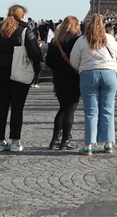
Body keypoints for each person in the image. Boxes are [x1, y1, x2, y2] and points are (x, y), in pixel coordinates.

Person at [0, 5, 43, 152]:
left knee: (2, 106)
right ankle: (15, 141)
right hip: (19, 72)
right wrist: (37, 67)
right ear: (22, 16)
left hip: (0, 71)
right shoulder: (25, 31)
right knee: (17, 108)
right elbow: (35, 53)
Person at [69, 15, 117, 156]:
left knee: (91, 112)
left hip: (88, 74)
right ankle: (108, 144)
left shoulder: (81, 40)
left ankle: (88, 145)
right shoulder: (109, 38)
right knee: (108, 110)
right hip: (109, 74)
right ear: (103, 25)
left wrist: (83, 68)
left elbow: (74, 59)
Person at [44, 16, 81, 150]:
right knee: (70, 109)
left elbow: (48, 60)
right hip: (73, 77)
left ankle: (55, 139)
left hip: (59, 78)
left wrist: (58, 69)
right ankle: (65, 140)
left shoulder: (55, 41)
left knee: (62, 108)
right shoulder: (77, 41)